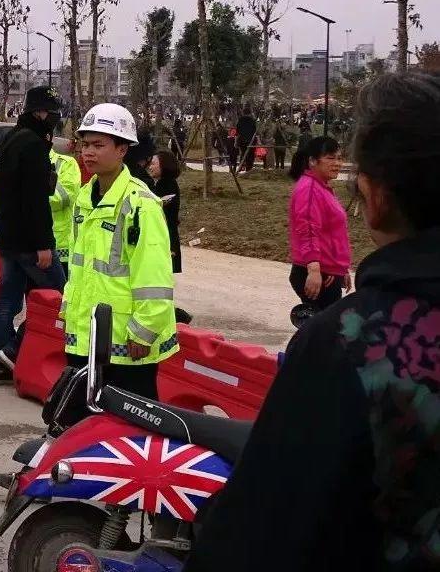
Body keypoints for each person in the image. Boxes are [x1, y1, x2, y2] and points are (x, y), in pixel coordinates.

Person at [187, 73, 440, 571]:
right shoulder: (307, 192)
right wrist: (317, 266)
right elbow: (303, 231)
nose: (338, 165)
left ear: (375, 194)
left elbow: (259, 532)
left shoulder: (352, 346)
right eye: (330, 158)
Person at [63, 104, 177, 400]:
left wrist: (144, 329)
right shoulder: (84, 199)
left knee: (127, 434)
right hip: (87, 335)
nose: (88, 153)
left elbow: (154, 275)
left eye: (99, 145)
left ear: (122, 149)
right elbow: (79, 265)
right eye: (85, 144)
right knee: (82, 426)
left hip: (128, 341)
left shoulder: (140, 204)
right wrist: (68, 308)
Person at [0, 86, 66, 385]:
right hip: (29, 242)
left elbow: (2, 191)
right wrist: (44, 244)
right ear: (40, 112)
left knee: (8, 301)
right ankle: (11, 351)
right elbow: (35, 201)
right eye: (52, 111)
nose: (55, 118)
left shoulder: (9, 139)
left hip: (7, 235)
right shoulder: (33, 144)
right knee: (61, 298)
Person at [287, 135, 351, 312]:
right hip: (317, 272)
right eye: (330, 158)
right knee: (325, 333)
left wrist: (342, 269)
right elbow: (307, 229)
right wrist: (314, 270)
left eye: (339, 158)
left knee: (326, 331)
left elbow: (332, 233)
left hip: (330, 271)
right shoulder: (309, 189)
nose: (337, 163)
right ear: (313, 161)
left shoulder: (323, 188)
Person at [49, 147, 82, 273]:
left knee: (57, 292)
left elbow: (63, 198)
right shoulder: (24, 163)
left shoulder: (66, 163)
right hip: (27, 249)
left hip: (58, 249)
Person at [149, 150, 182, 274]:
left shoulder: (167, 185)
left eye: (153, 164)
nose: (150, 167)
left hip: (165, 235)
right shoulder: (161, 183)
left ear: (164, 165)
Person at [236, 107, 258, 171]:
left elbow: (238, 131)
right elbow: (255, 131)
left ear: (243, 112)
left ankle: (241, 166)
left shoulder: (240, 120)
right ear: (250, 113)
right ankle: (249, 168)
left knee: (243, 153)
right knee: (250, 155)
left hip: (242, 140)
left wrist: (236, 141)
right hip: (251, 140)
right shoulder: (253, 120)